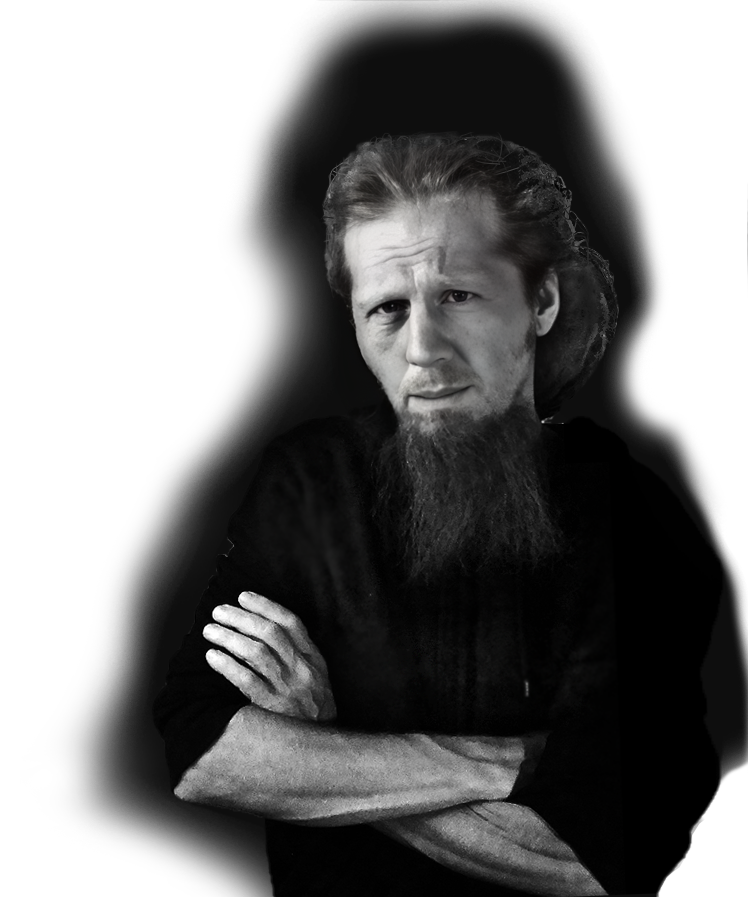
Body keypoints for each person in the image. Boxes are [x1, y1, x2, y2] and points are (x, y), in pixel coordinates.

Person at [153, 133, 720, 896]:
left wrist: (321, 744)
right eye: (388, 308)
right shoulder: (310, 478)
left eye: (458, 296)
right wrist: (515, 763)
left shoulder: (630, 514)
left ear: (542, 302)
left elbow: (593, 860)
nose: (423, 349)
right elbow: (203, 753)